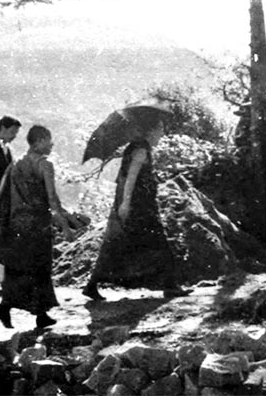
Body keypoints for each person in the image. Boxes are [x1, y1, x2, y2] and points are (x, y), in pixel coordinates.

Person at [82, 116, 192, 300]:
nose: (162, 133)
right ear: (150, 131)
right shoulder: (140, 150)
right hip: (138, 206)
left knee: (121, 244)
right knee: (157, 243)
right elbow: (130, 178)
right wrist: (125, 204)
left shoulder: (138, 147)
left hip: (139, 204)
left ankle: (92, 285)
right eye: (160, 129)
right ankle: (170, 286)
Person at [0, 125, 73, 328]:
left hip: (17, 225)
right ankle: (38, 314)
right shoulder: (45, 164)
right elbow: (53, 199)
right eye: (49, 140)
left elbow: (4, 198)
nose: (52, 144)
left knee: (18, 268)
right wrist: (65, 226)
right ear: (39, 141)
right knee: (40, 268)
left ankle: (7, 307)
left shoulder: (16, 164)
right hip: (37, 225)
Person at [0, 116, 22, 282]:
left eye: (16, 133)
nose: (14, 136)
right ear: (2, 128)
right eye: (12, 132)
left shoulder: (8, 151)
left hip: (1, 203)